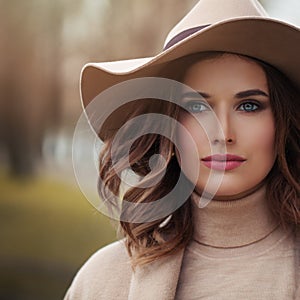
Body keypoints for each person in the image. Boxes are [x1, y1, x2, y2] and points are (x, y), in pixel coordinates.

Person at [65, 0, 300, 299]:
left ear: (282, 124)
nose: (223, 133)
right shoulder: (101, 282)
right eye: (198, 106)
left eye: (249, 105)